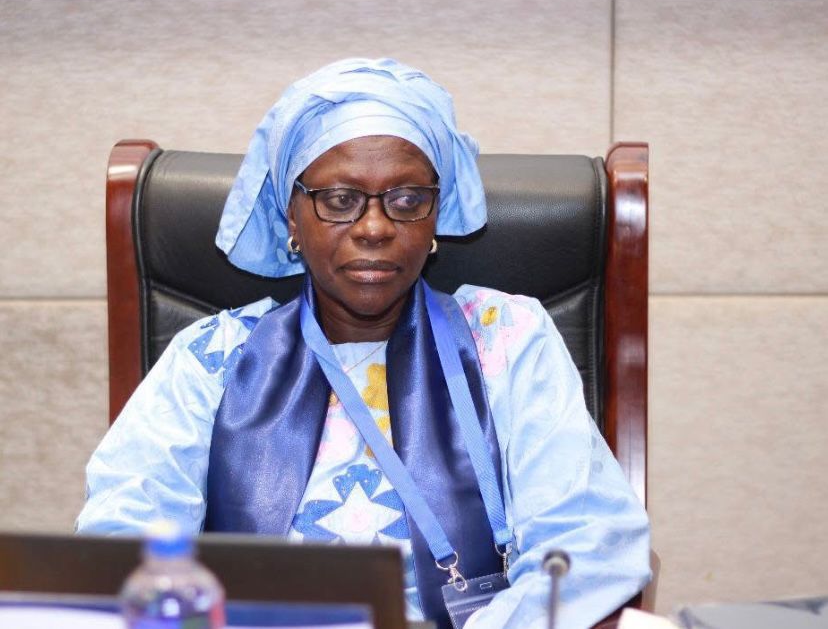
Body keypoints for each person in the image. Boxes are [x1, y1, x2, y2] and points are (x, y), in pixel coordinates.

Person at [77, 58, 650, 629]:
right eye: (338, 199)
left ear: (434, 217)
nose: (374, 227)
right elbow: (122, 551)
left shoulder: (506, 337)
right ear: (291, 216)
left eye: (407, 199)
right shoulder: (211, 358)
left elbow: (587, 546)